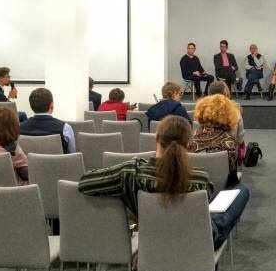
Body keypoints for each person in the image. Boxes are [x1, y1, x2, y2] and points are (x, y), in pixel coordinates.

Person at [78, 115, 249, 250]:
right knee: (240, 192)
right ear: (188, 143)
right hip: (195, 242)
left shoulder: (130, 173)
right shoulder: (200, 178)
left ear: (157, 137)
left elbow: (85, 183)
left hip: (151, 239)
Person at [189, 94, 240, 187]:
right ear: (229, 115)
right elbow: (232, 175)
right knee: (244, 190)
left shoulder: (190, 139)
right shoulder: (229, 142)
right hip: (221, 191)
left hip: (195, 189)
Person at [20, 88, 76, 153]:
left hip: (29, 160)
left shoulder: (19, 128)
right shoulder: (65, 128)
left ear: (31, 106)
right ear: (51, 105)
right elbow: (72, 154)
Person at [208, 81, 245, 146]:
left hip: (202, 150)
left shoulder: (200, 112)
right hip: (228, 150)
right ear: (226, 93)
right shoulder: (235, 112)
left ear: (209, 94)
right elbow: (240, 140)